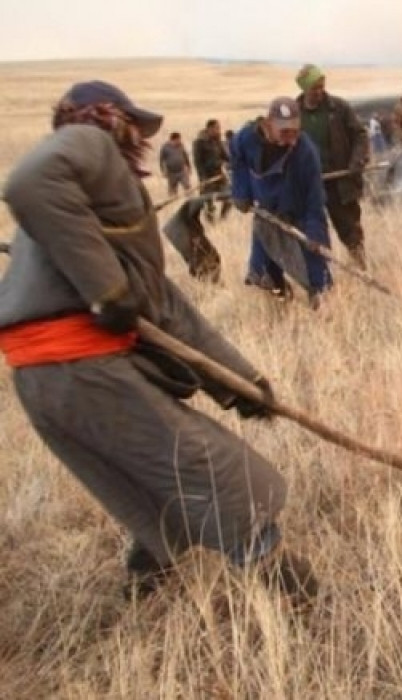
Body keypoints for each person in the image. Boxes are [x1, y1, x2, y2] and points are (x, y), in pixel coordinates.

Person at [0, 80, 316, 604]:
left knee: (148, 481)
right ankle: (300, 600)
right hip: (81, 367)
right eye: (131, 126)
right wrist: (107, 290)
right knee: (214, 473)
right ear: (108, 119)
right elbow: (28, 181)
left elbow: (166, 308)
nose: (137, 139)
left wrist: (241, 384)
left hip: (48, 380)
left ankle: (145, 586)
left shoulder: (90, 204)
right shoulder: (90, 143)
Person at [230, 97, 333, 309]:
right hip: (266, 214)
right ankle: (281, 301)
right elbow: (237, 157)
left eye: (295, 132)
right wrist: (241, 191)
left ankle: (322, 306)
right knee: (264, 271)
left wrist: (315, 233)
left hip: (298, 213)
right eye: (284, 132)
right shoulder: (246, 138)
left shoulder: (306, 152)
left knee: (316, 271)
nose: (291, 139)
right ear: (268, 124)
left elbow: (315, 197)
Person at [294, 64, 370, 270]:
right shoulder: (294, 113)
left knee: (351, 231)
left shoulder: (339, 108)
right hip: (310, 187)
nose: (319, 91)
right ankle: (320, 275)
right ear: (304, 89)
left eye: (321, 86)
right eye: (314, 88)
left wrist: (357, 160)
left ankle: (362, 267)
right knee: (313, 233)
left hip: (340, 183)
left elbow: (360, 135)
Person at [191, 118, 232, 221]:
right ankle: (211, 223)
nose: (219, 130)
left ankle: (223, 219)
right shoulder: (199, 142)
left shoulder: (218, 141)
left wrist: (233, 163)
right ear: (210, 128)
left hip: (220, 175)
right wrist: (203, 178)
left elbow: (226, 156)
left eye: (219, 128)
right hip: (207, 177)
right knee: (208, 201)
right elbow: (198, 162)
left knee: (229, 197)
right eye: (217, 128)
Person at [158, 131, 193, 196]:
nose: (179, 141)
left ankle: (190, 199)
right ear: (173, 140)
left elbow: (185, 156)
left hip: (182, 171)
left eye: (180, 139)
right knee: (172, 189)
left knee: (187, 186)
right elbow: (161, 160)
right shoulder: (165, 147)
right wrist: (163, 170)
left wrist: (189, 167)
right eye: (178, 140)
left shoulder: (181, 146)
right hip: (171, 173)